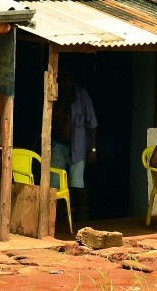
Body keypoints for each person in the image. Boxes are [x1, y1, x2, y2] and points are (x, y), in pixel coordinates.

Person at [51, 71, 97, 221]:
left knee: (77, 184)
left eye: (68, 78)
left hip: (78, 147)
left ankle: (81, 218)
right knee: (54, 185)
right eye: (63, 79)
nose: (65, 83)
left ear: (73, 78)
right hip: (58, 145)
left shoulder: (82, 95)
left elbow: (92, 124)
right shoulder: (54, 94)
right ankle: (56, 219)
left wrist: (92, 149)